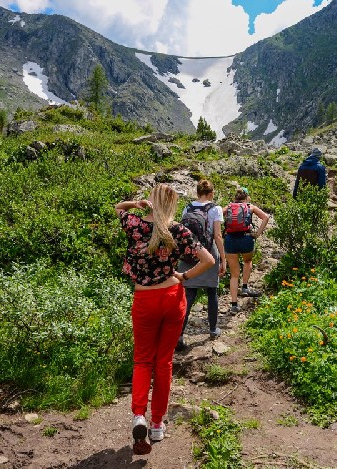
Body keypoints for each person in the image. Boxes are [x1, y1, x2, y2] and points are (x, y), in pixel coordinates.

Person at [115, 184, 214, 455]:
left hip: (145, 300)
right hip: (172, 297)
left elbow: (118, 208)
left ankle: (139, 415)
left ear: (152, 200)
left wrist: (135, 204)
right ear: (172, 204)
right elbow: (208, 260)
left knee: (142, 360)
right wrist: (185, 276)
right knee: (164, 362)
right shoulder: (178, 230)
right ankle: (157, 424)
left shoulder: (134, 224)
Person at [176, 179, 227, 351]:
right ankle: (213, 330)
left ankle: (179, 336)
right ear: (211, 193)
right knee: (212, 291)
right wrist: (223, 259)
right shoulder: (216, 209)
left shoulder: (187, 208)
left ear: (197, 193)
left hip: (189, 255)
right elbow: (217, 236)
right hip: (209, 253)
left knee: (189, 295)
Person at [223, 188, 270, 313]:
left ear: (235, 197)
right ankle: (244, 287)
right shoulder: (250, 207)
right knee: (247, 261)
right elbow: (266, 217)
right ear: (247, 197)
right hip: (246, 238)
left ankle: (234, 305)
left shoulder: (228, 207)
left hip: (230, 240)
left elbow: (217, 217)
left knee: (234, 274)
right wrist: (257, 234)